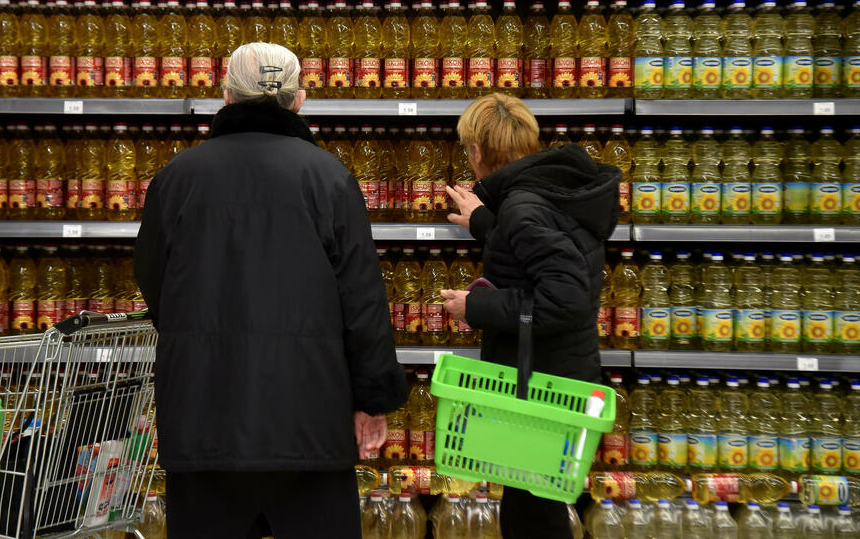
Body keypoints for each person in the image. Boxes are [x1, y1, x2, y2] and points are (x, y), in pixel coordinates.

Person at [134, 42, 407, 539]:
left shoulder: (177, 177)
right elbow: (363, 302)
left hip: (203, 418)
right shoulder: (329, 178)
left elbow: (155, 284)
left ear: (225, 97)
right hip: (310, 423)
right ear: (299, 100)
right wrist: (372, 399)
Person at [441, 94, 622, 539]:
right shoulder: (547, 189)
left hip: (545, 385)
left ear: (478, 152)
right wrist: (485, 222)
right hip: (561, 370)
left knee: (531, 519)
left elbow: (565, 300)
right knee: (535, 507)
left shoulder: (523, 207)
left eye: (468, 149)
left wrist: (475, 306)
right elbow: (538, 246)